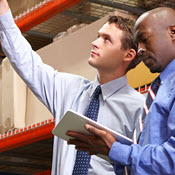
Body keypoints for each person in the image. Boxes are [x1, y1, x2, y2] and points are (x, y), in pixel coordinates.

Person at [0, 0, 145, 174]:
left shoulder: (139, 109)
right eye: (99, 36)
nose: (95, 42)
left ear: (128, 55)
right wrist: (3, 12)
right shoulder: (70, 90)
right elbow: (28, 64)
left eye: (107, 40)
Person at [67, 6, 175, 175]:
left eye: (145, 39)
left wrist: (115, 149)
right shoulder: (158, 89)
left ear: (173, 32)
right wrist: (111, 152)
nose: (141, 49)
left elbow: (171, 161)